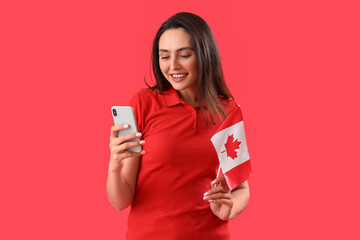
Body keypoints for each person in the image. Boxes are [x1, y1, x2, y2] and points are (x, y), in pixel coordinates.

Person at [107, 12, 251, 239]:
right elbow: (120, 200)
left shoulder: (227, 111)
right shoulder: (143, 104)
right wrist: (115, 165)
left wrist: (230, 207)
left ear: (204, 54)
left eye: (184, 55)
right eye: (164, 57)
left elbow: (241, 188)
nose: (173, 66)